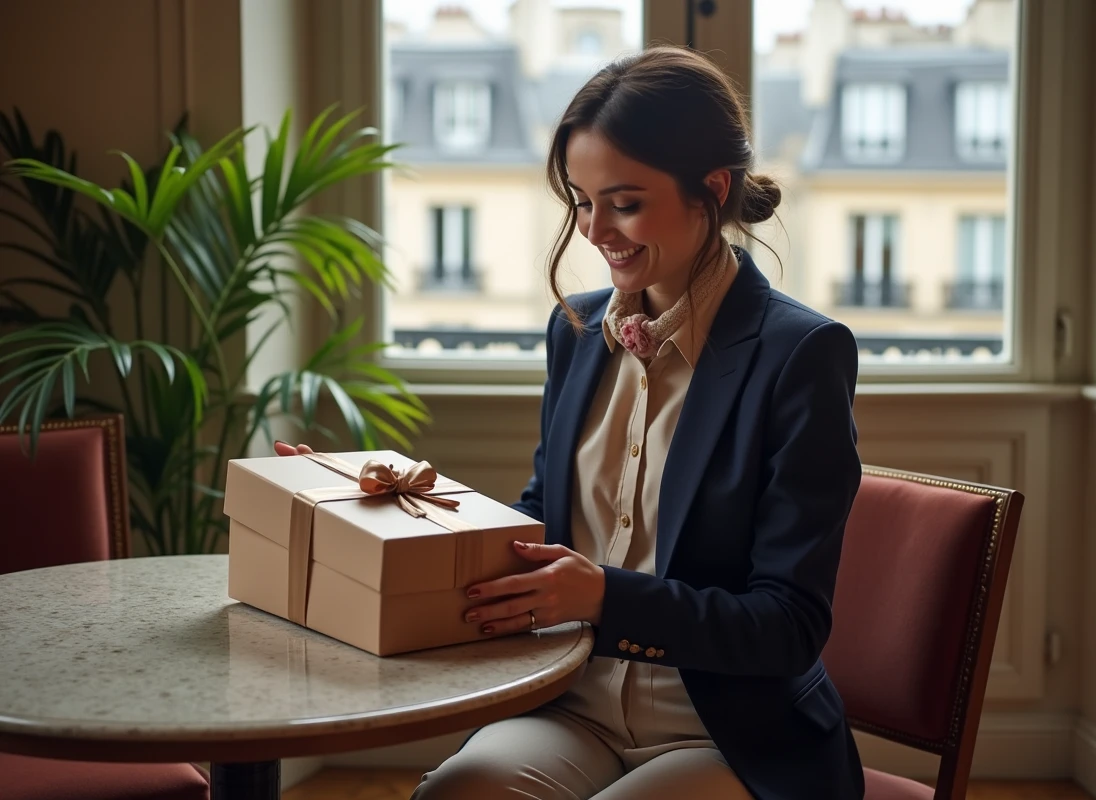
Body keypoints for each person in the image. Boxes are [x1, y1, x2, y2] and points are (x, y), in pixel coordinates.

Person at [278, 44, 864, 800]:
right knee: (455, 794)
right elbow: (538, 523)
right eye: (581, 202)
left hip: (729, 732)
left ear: (711, 190)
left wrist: (604, 599)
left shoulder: (800, 354)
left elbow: (788, 625)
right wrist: (367, 506)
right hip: (571, 706)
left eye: (624, 202)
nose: (594, 231)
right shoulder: (578, 331)